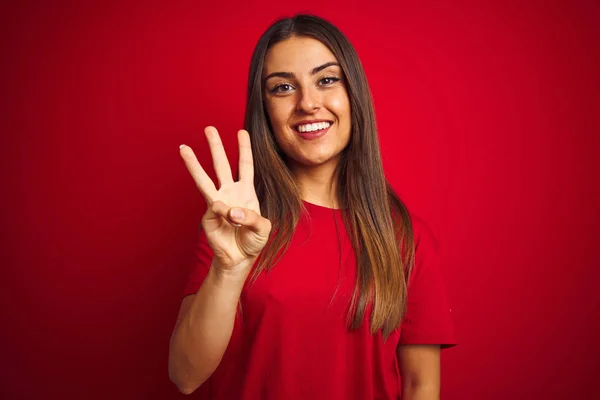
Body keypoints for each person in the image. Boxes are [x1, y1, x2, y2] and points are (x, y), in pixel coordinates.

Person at [168, 14, 456, 399]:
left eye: (326, 80)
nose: (307, 103)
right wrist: (228, 271)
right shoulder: (236, 227)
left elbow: (421, 387)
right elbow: (185, 375)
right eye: (283, 87)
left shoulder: (405, 236)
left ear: (353, 93)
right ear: (265, 111)